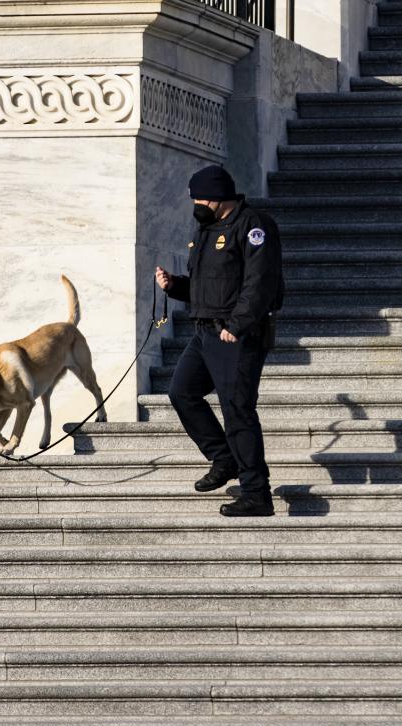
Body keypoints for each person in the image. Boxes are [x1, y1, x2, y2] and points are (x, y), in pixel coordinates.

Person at [155, 164, 284, 517]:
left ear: (218, 196)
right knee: (181, 391)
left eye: (199, 197)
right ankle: (223, 457)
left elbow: (261, 282)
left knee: (238, 411)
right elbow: (207, 287)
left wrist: (239, 324)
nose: (196, 203)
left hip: (237, 335)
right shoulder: (207, 230)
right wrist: (175, 286)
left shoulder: (253, 226)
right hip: (205, 330)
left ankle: (258, 494)